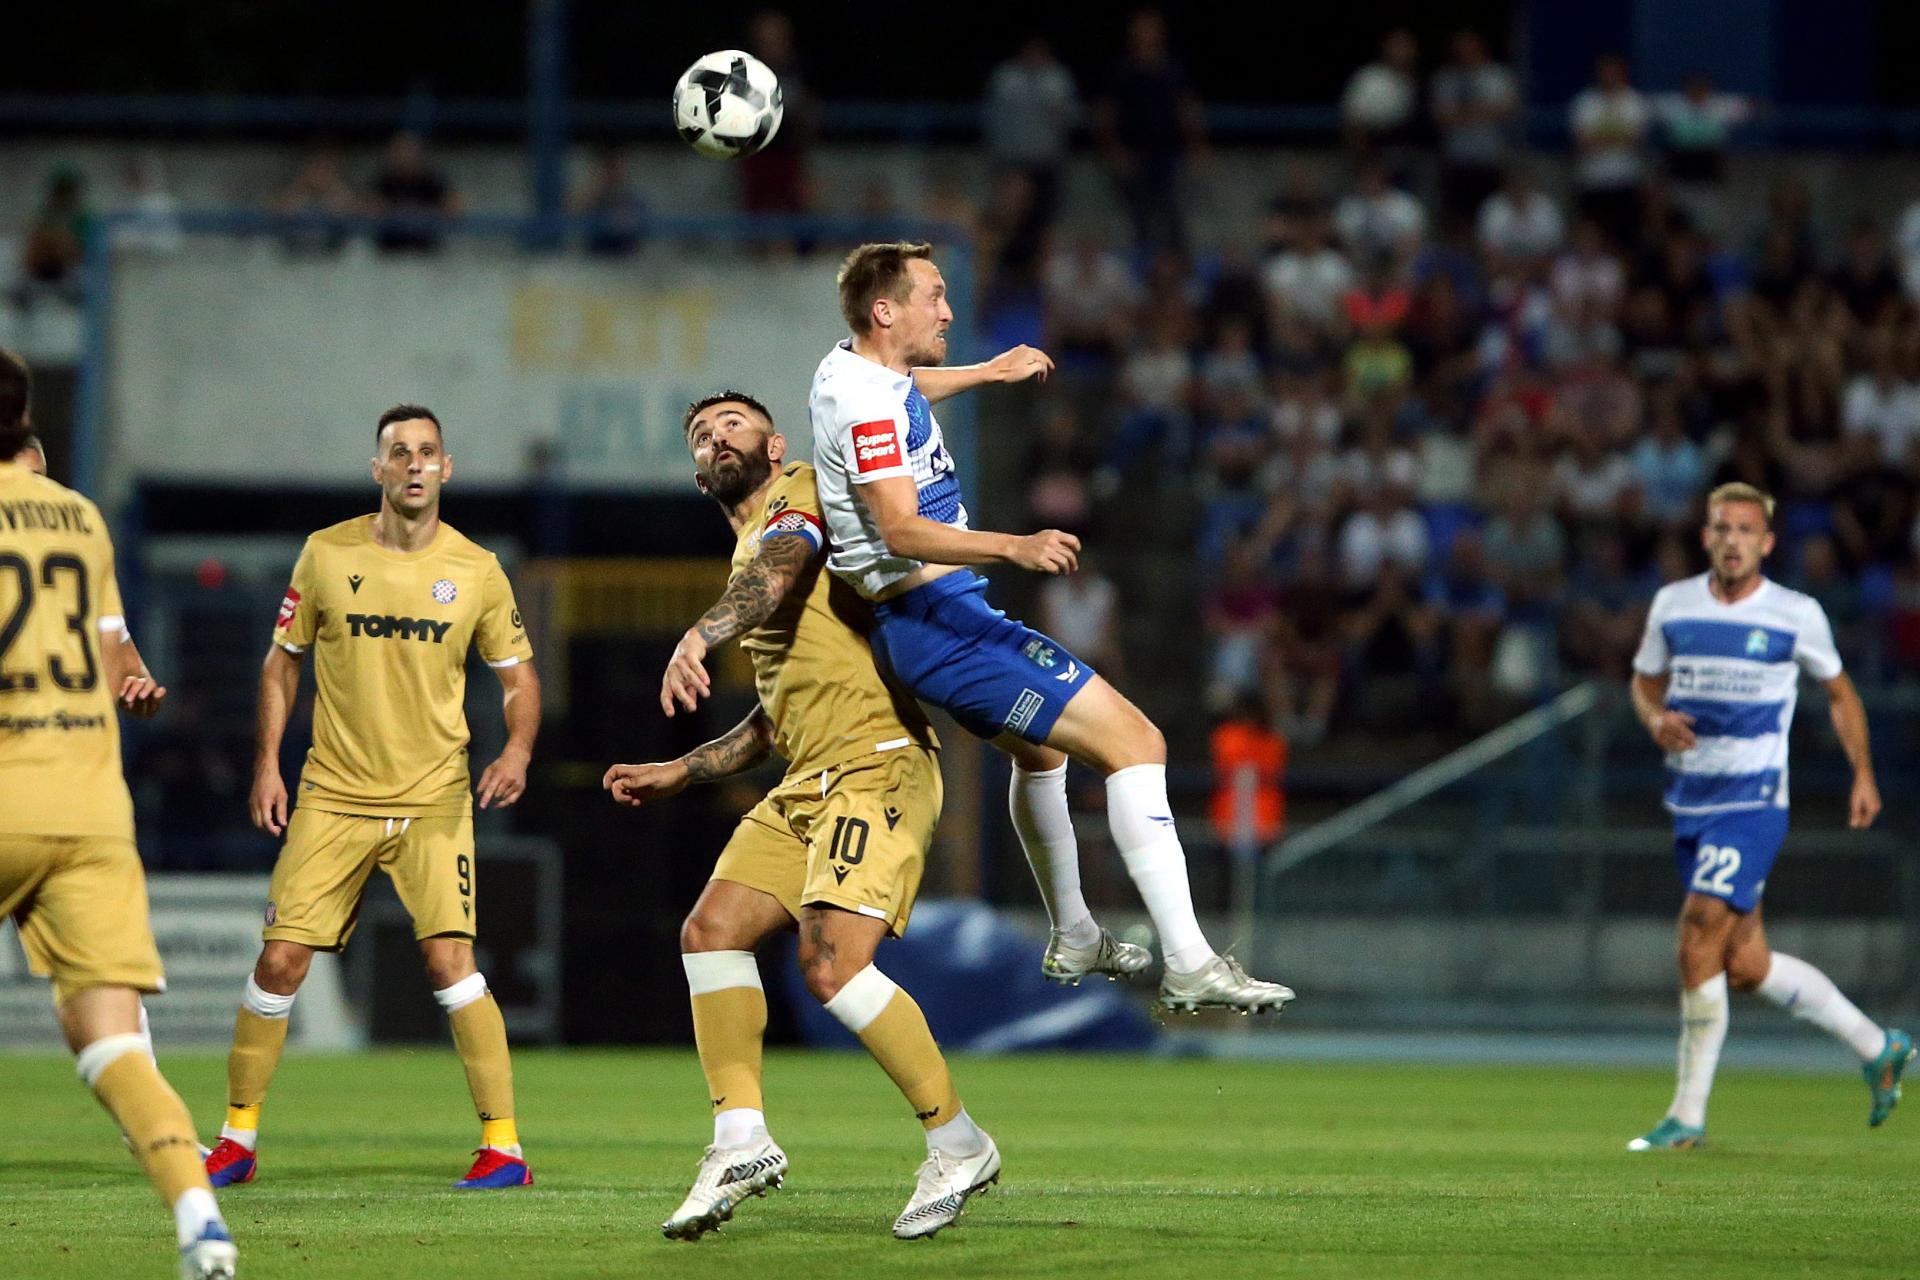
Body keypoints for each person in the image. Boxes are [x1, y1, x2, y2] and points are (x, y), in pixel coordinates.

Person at [800, 240, 1294, 1013]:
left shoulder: (852, 371)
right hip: (936, 617)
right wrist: (1014, 543)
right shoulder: (865, 403)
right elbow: (898, 528)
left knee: (1039, 755)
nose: (949, 310)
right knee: (1138, 742)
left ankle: (1072, 932)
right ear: (885, 310)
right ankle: (1191, 961)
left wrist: (987, 372)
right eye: (933, 295)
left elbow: (907, 387)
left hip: (927, 620)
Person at [617, 392, 997, 1241]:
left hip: (879, 763)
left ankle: (958, 1141)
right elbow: (775, 719)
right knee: (710, 931)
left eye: (733, 424)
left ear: (775, 442)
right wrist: (684, 769)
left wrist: (698, 636)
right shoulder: (740, 555)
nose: (718, 437)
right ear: (695, 468)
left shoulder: (802, 494)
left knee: (829, 966)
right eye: (702, 434)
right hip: (808, 779)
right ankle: (741, 1139)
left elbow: (783, 565)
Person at [202, 405, 541, 1190]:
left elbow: (520, 679)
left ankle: (505, 1149)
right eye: (399, 453)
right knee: (281, 960)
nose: (415, 464)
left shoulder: (479, 570)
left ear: (445, 468)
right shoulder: (326, 554)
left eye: (427, 452)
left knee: (449, 960)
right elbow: (281, 662)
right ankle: (237, 1139)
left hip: (433, 800)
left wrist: (518, 749)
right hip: (334, 794)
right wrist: (267, 764)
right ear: (378, 468)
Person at [0, 349, 238, 1279]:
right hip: (91, 810)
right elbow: (108, 652)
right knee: (112, 1040)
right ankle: (199, 1223)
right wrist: (131, 682)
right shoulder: (80, 517)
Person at [1625, 482, 1912, 1150]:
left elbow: (1840, 694)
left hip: (1753, 801)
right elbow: (1643, 682)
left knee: (1698, 932)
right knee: (1745, 965)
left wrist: (1862, 773)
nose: (1732, 541)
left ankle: (1686, 1120)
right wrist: (1655, 719)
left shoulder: (1795, 614)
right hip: (1690, 801)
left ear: (1767, 543)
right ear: (1706, 537)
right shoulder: (1673, 604)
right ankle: (1879, 1046)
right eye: (1721, 528)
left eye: (1745, 531)